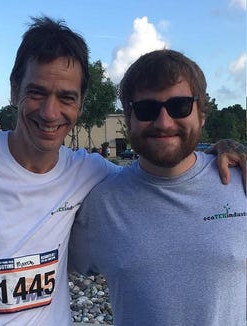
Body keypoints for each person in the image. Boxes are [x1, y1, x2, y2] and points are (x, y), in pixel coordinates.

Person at [0, 16, 244, 325]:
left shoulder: (91, 175)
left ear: (80, 104)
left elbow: (167, 173)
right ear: (14, 90)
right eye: (36, 92)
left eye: (66, 97)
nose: (50, 113)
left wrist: (228, 147)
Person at [69, 49, 247, 326]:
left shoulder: (241, 184)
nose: (164, 122)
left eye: (179, 107)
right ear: (128, 119)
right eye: (147, 109)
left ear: (202, 114)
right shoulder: (100, 204)